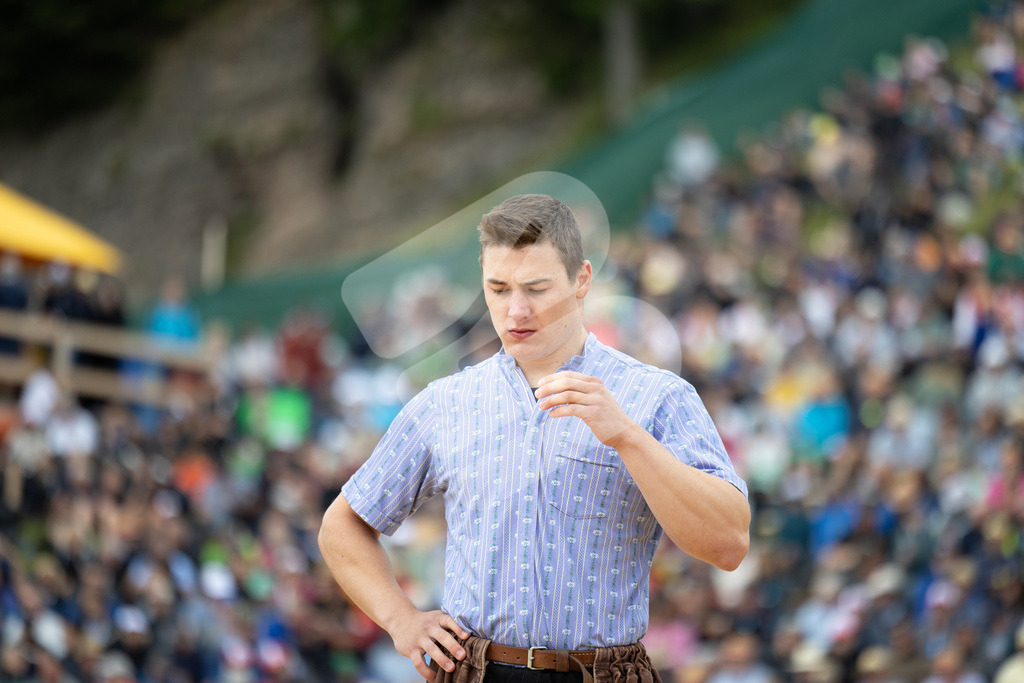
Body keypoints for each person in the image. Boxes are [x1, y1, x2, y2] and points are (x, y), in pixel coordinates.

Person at [319, 194, 750, 683]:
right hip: (473, 669)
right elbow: (342, 527)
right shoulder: (444, 403)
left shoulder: (657, 396)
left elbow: (729, 544)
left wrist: (627, 436)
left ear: (582, 279)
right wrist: (401, 620)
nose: (516, 310)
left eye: (537, 288)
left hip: (602, 672)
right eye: (498, 289)